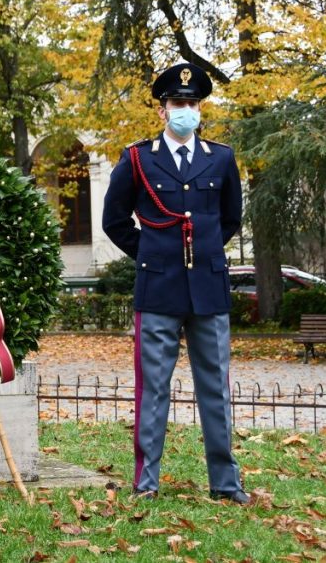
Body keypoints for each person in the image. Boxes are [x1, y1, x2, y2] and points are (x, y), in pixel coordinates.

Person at [101, 62, 249, 505]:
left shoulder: (220, 158)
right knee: (153, 389)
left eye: (192, 103)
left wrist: (200, 253)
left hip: (208, 287)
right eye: (178, 103)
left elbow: (230, 220)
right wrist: (152, 254)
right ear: (163, 110)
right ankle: (146, 483)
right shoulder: (137, 158)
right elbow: (114, 220)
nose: (186, 110)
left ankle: (225, 483)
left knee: (215, 390)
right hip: (159, 288)